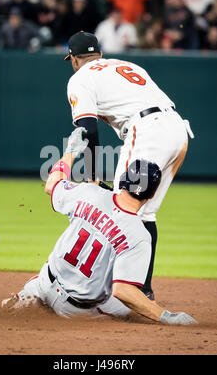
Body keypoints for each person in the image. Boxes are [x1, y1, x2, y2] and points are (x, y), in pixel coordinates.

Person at [2, 127, 197, 325]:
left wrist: (71, 150)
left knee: (41, 281)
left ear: (123, 180)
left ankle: (26, 296)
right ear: (151, 195)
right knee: (134, 304)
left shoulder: (88, 192)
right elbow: (123, 290)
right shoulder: (139, 236)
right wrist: (166, 316)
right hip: (74, 309)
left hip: (44, 283)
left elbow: (52, 184)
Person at [63, 31, 194, 301]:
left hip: (147, 130)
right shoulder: (128, 66)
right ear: (99, 54)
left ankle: (108, 288)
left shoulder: (80, 78)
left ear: (74, 59)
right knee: (143, 215)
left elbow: (87, 129)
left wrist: (92, 175)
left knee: (117, 208)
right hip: (178, 130)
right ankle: (142, 291)